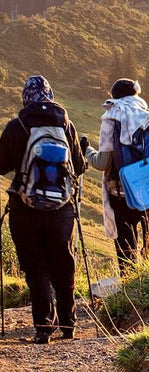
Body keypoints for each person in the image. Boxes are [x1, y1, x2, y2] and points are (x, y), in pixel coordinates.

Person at [0, 75, 87, 344]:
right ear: (50, 94)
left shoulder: (18, 126)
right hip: (61, 210)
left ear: (26, 97)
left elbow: (1, 165)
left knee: (36, 267)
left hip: (25, 210)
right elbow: (80, 166)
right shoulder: (66, 124)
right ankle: (69, 324)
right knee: (64, 263)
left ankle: (43, 328)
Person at [84, 78, 149, 275]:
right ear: (137, 95)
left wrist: (87, 151)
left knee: (126, 249)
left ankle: (129, 289)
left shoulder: (110, 119)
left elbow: (102, 163)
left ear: (114, 97)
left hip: (121, 194)